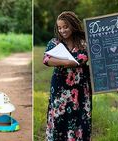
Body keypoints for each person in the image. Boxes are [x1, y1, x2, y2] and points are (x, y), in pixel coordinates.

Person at [43, 11, 92, 141]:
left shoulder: (84, 43)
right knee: (59, 117)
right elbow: (47, 60)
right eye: (59, 27)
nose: (62, 30)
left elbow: (99, 63)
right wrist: (66, 62)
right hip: (60, 87)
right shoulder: (55, 42)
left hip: (81, 88)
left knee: (80, 118)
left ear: (73, 25)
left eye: (65, 26)